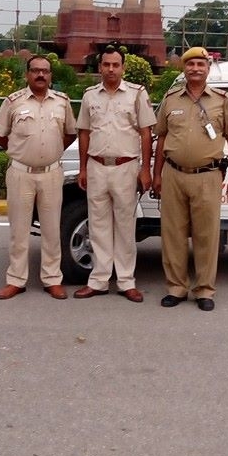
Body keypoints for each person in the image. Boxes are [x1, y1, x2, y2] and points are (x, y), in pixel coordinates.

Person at [152, 46, 228, 311]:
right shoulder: (171, 99)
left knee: (206, 236)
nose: (195, 69)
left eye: (200, 65)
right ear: (184, 68)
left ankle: (204, 290)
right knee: (173, 235)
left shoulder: (221, 99)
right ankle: (176, 288)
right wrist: (157, 175)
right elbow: (162, 139)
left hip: (208, 176)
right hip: (173, 174)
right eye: (190, 64)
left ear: (208, 69)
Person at [73, 45, 156, 303]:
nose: (110, 69)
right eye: (106, 65)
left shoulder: (136, 94)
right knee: (97, 227)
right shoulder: (90, 96)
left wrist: (145, 169)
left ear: (123, 68)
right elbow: (84, 132)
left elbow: (146, 132)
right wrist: (83, 168)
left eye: (115, 65)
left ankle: (125, 281)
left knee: (124, 227)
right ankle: (98, 280)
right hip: (97, 166)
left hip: (126, 167)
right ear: (99, 68)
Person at [0, 55, 77, 300]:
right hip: (21, 173)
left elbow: (70, 133)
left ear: (51, 75)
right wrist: (20, 152)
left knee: (52, 230)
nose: (41, 75)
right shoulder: (13, 102)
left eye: (45, 71)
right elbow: (0, 135)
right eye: (36, 71)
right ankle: (16, 280)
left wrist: (50, 152)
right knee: (18, 230)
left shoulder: (62, 102)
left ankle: (52, 279)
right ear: (27, 74)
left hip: (51, 173)